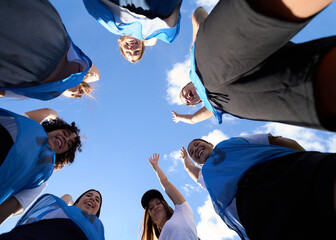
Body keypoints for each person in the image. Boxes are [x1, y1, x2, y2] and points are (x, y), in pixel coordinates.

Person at [172, 1, 336, 132]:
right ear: (197, 101)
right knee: (310, 92)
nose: (186, 98)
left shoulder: (195, 59)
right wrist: (180, 117)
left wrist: (197, 39)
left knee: (258, 16)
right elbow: (193, 120)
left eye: (183, 94)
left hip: (209, 59)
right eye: (188, 102)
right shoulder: (210, 108)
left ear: (187, 83)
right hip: (235, 100)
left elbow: (198, 13)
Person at [181, 133, 336, 239]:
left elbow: (275, 140)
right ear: (197, 162)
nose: (195, 149)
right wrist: (185, 159)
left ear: (209, 143)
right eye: (192, 152)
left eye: (196, 144)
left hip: (280, 168)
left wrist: (307, 161)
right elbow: (190, 170)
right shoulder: (206, 175)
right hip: (255, 206)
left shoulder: (231, 143)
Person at [0, 105, 82, 238]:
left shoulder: (41, 178)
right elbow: (45, 112)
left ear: (63, 154)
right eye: (65, 133)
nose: (66, 139)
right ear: (54, 128)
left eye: (69, 144)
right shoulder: (27, 126)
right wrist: (51, 113)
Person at [0, 0, 100, 101]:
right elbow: (96, 75)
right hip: (46, 32)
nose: (77, 95)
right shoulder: (81, 66)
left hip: (10, 60)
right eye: (81, 92)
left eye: (76, 96)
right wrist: (79, 82)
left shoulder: (44, 93)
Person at [0, 190, 105, 240]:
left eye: (97, 200)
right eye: (88, 195)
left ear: (97, 211)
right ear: (77, 202)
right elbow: (65, 199)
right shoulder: (62, 208)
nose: (92, 199)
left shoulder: (98, 229)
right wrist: (70, 200)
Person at [82, 0, 183, 63]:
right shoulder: (157, 31)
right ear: (143, 44)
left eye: (128, 52)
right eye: (137, 51)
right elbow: (174, 13)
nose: (132, 49)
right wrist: (150, 38)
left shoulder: (113, 25)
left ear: (120, 43)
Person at [140, 153, 198, 240]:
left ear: (165, 205)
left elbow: (166, 183)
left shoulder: (182, 212)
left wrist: (156, 167)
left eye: (158, 203)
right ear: (150, 218)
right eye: (151, 208)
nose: (156, 207)